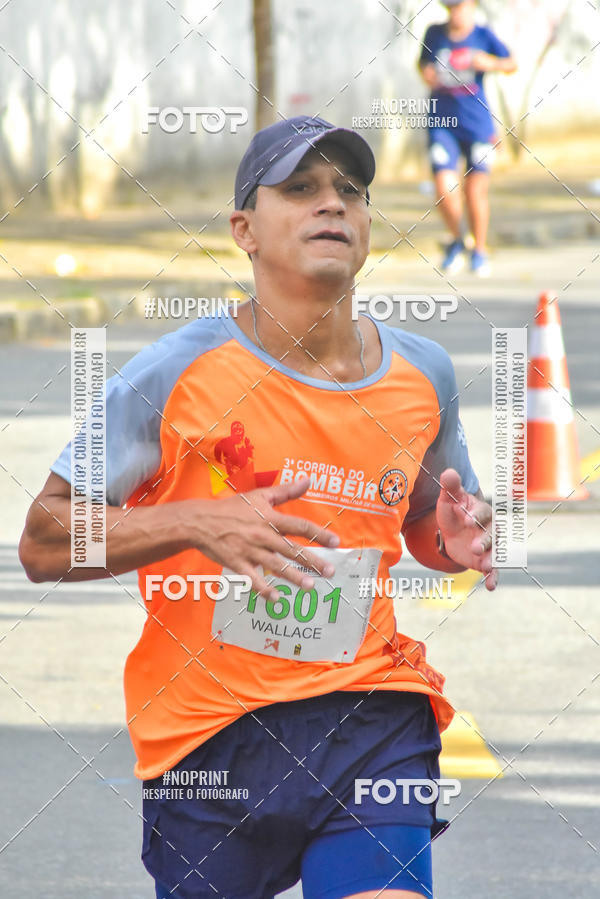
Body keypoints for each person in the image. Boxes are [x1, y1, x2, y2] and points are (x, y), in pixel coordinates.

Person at [19, 114, 498, 899]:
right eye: (301, 188)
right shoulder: (179, 371)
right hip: (208, 737)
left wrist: (456, 540)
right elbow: (43, 542)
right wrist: (197, 520)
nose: (332, 205)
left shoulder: (423, 373)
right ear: (243, 228)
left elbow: (429, 529)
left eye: (350, 191)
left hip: (371, 716)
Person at [418, 0, 517, 276]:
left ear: (472, 6)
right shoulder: (434, 34)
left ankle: (479, 250)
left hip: (477, 125)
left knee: (474, 190)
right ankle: (458, 240)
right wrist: (428, 75)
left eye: (460, 6)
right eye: (450, 8)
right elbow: (423, 65)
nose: (455, 13)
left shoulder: (483, 35)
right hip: (442, 123)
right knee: (443, 186)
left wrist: (490, 63)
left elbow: (511, 63)